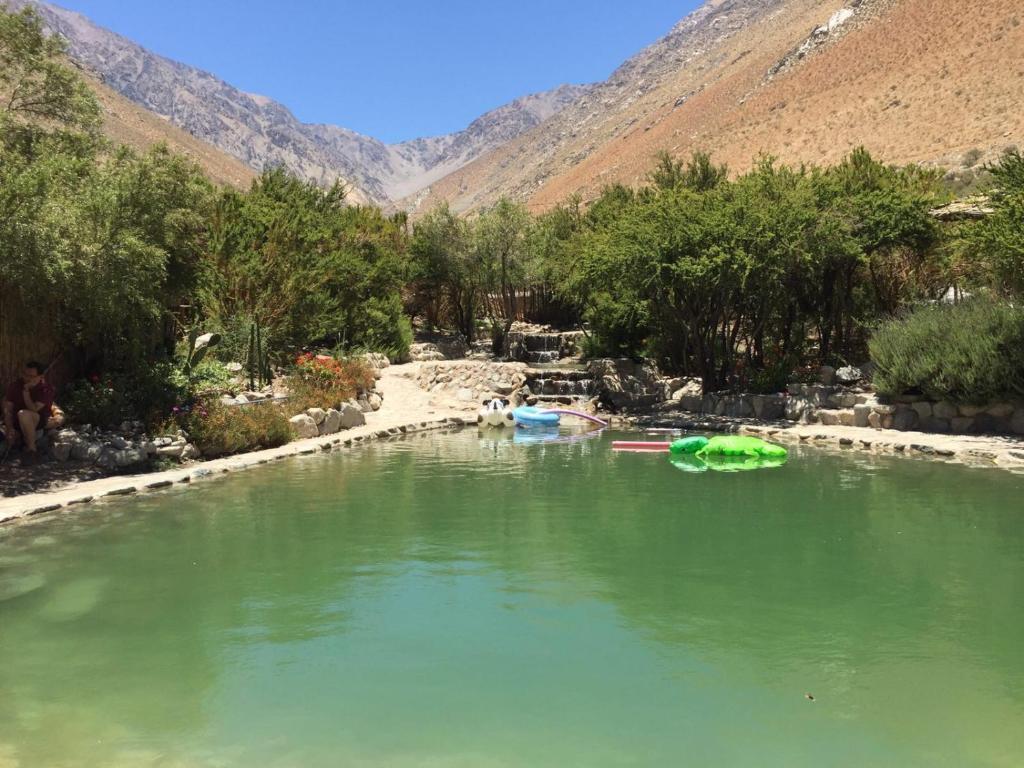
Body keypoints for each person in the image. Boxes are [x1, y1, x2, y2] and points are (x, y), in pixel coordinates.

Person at [2, 361, 55, 467]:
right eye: (25, 375)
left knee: (23, 414)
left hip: (37, 421)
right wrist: (10, 428)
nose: (27, 378)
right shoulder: (15, 385)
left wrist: (26, 392)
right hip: (17, 423)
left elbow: (34, 409)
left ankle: (32, 450)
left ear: (40, 377)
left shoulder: (46, 389)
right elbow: (8, 410)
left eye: (31, 376)